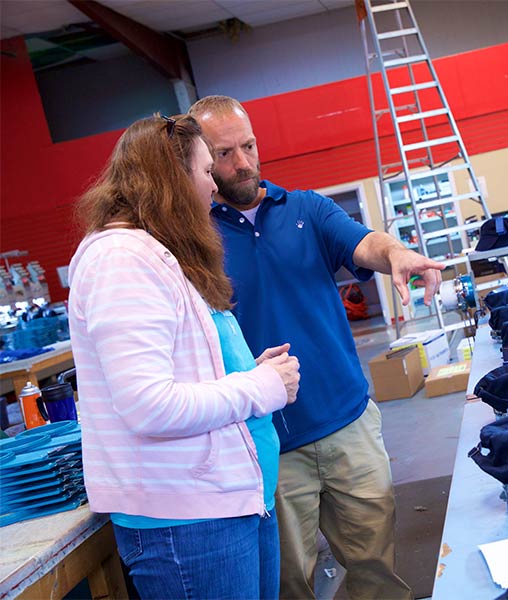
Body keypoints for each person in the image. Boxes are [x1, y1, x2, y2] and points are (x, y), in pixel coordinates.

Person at [190, 95, 444, 600]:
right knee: (290, 584)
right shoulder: (196, 240)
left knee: (377, 570)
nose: (241, 162)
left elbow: (364, 242)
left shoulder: (306, 208)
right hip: (268, 445)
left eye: (248, 145)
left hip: (348, 425)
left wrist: (397, 252)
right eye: (223, 154)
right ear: (200, 161)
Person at [68, 114, 300, 600]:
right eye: (204, 173)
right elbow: (150, 405)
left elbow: (181, 369)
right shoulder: (122, 261)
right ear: (172, 181)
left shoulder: (156, 253)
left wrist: (247, 372)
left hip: (225, 505)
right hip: (189, 523)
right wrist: (259, 389)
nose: (211, 189)